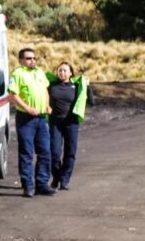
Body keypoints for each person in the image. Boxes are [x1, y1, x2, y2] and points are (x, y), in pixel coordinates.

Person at [8, 47, 54, 197]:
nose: (32, 61)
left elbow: (46, 90)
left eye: (34, 58)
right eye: (28, 58)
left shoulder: (39, 72)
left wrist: (47, 105)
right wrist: (27, 108)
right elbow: (13, 96)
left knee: (45, 152)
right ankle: (28, 186)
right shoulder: (17, 74)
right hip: (26, 119)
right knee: (27, 153)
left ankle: (42, 183)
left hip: (41, 118)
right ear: (21, 60)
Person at [47, 61, 89, 191]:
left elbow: (89, 99)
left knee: (70, 152)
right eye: (60, 70)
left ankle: (65, 180)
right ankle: (56, 177)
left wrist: (87, 85)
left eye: (65, 70)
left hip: (71, 123)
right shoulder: (51, 85)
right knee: (54, 152)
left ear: (70, 73)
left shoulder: (76, 86)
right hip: (55, 122)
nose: (62, 72)